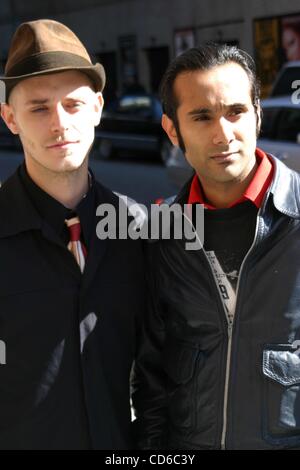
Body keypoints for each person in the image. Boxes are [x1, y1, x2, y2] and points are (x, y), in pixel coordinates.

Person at [132, 44, 300, 450]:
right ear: (173, 130)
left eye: (236, 112)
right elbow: (150, 380)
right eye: (202, 117)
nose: (223, 134)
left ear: (257, 114)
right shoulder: (160, 235)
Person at [0, 19, 145, 450]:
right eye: (39, 108)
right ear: (10, 118)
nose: (60, 123)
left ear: (98, 108)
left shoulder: (138, 228)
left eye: (74, 105)